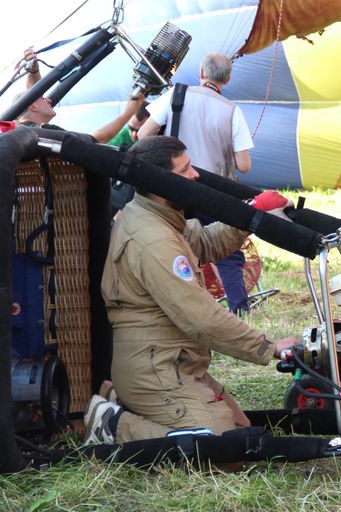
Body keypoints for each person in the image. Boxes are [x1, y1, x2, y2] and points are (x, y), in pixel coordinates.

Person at [83, 136, 298, 445]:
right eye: (184, 170)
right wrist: (270, 346)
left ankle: (122, 398)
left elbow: (203, 242)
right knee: (222, 447)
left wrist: (249, 215)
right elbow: (201, 318)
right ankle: (112, 424)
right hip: (158, 368)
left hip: (175, 361)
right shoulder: (153, 240)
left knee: (240, 428)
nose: (195, 175)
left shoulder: (154, 216)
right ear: (159, 183)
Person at [138, 52, 254, 315]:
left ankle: (183, 310)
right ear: (228, 78)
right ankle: (241, 313)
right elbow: (244, 165)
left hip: (173, 189)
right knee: (227, 255)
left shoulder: (175, 96)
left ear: (201, 72)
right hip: (213, 192)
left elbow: (143, 136)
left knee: (176, 249)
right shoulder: (231, 110)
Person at [15, 47, 145, 143]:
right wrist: (128, 112)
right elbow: (94, 140)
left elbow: (31, 98)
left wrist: (34, 71)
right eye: (43, 98)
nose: (49, 99)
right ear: (33, 107)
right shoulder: (46, 132)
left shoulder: (18, 133)